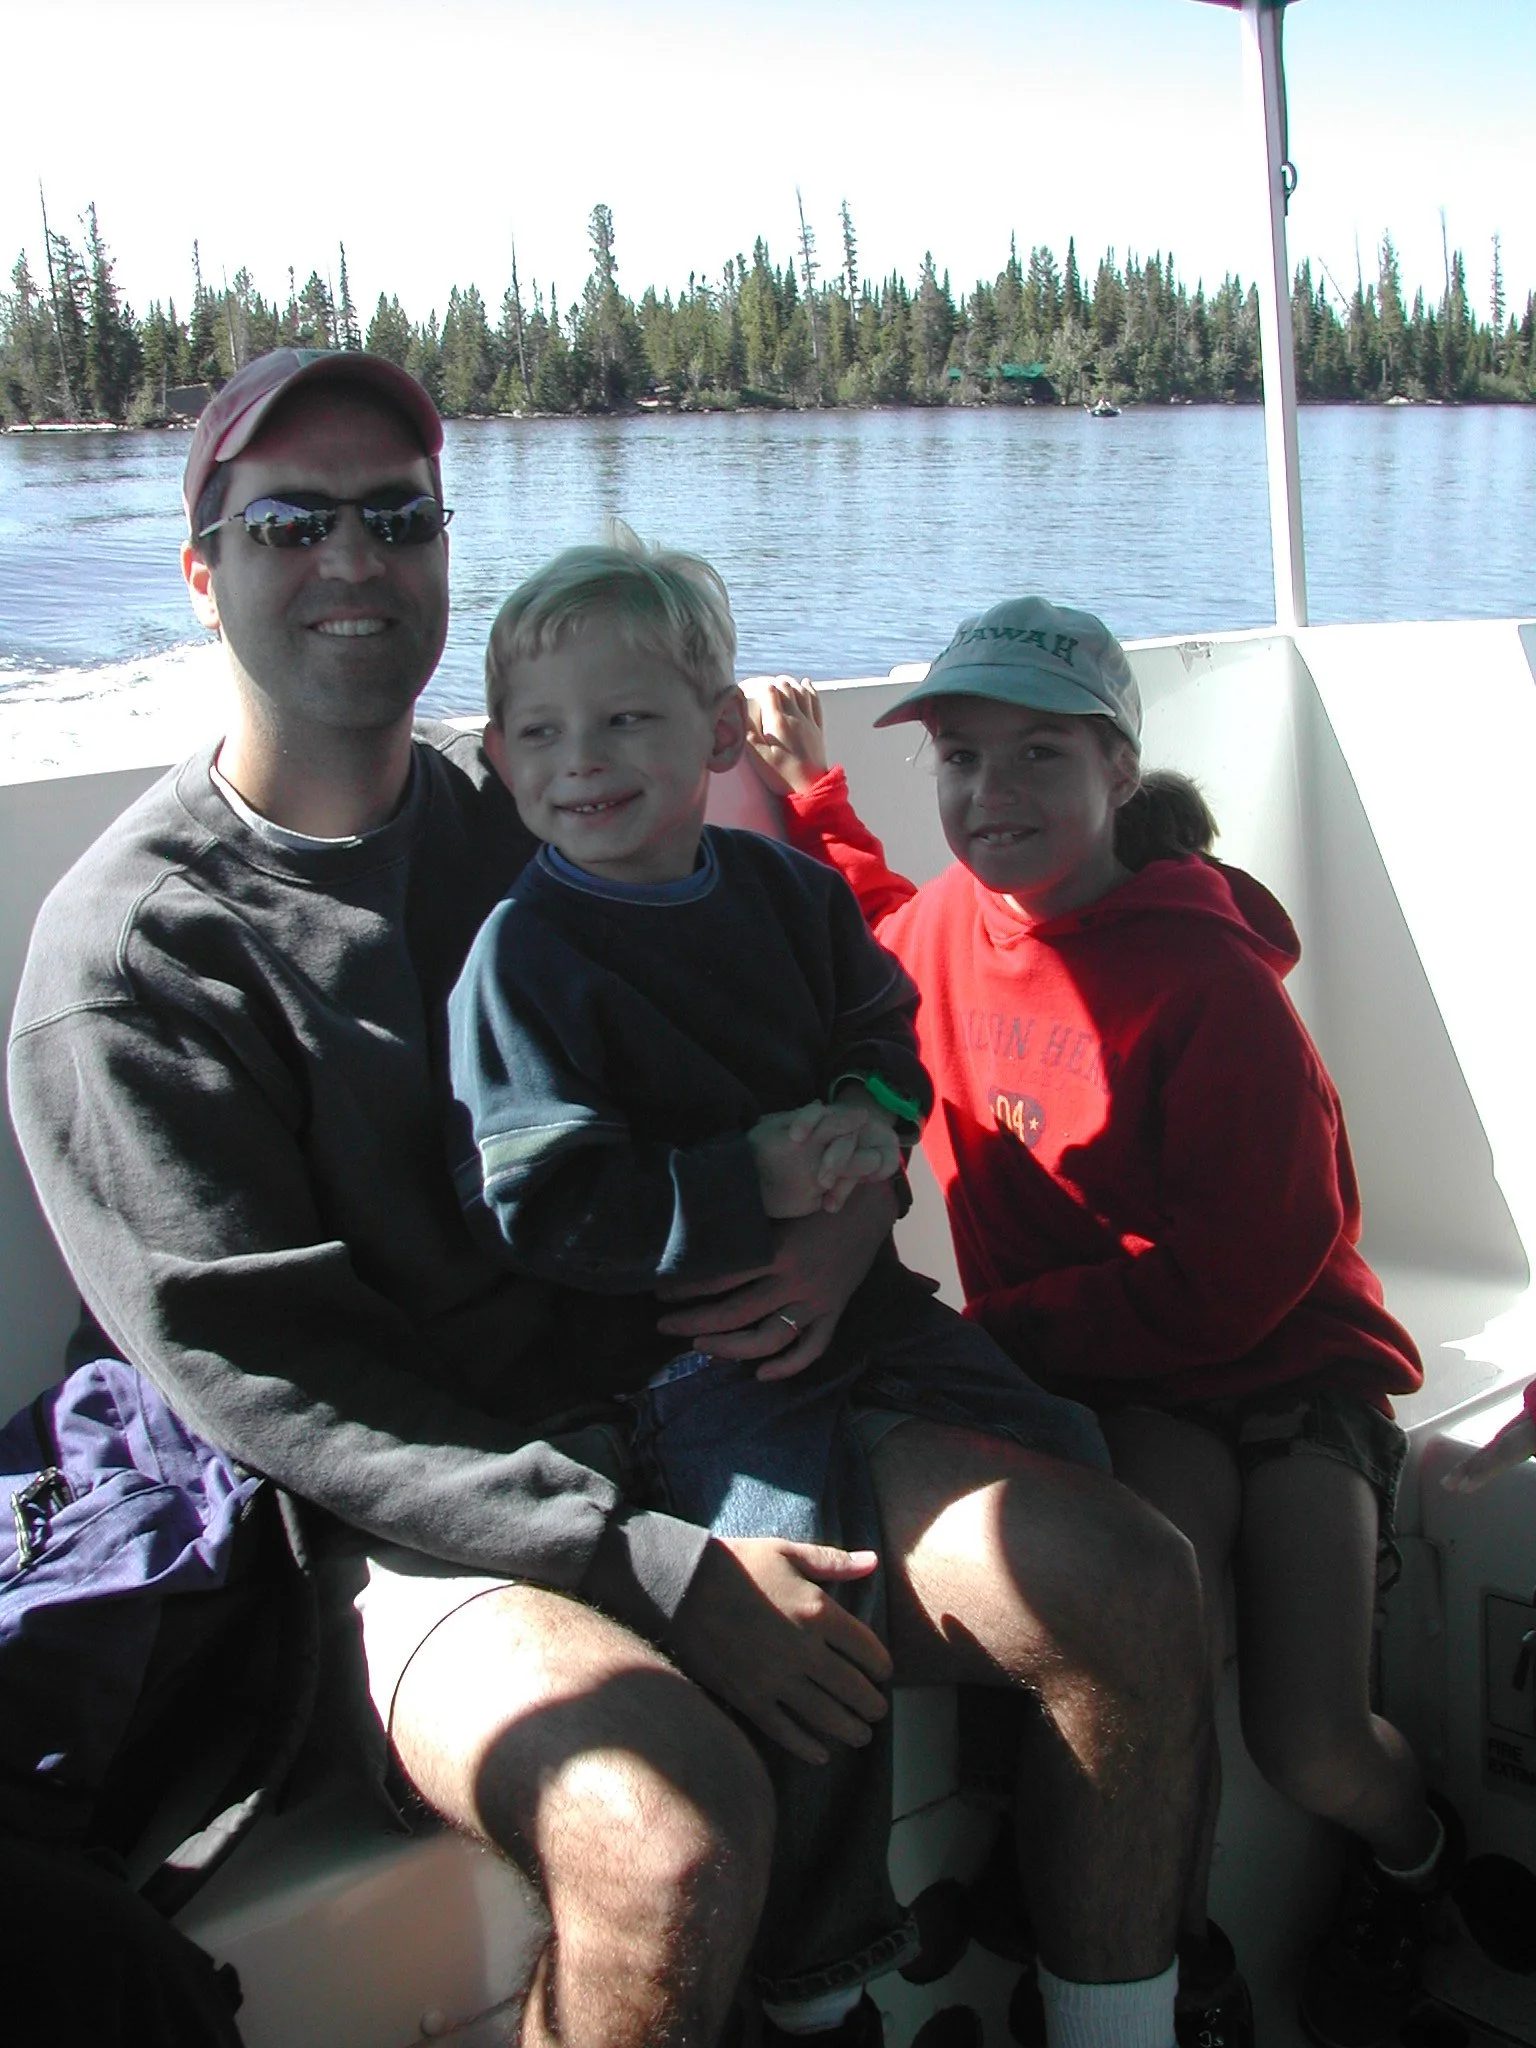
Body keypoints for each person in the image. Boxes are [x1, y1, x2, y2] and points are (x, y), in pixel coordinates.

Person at [8, 353, 1207, 2048]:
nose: (352, 558)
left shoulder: (544, 821)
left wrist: (845, 1221)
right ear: (201, 570)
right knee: (666, 1819)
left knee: (1127, 1581)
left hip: (679, 1388)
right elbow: (284, 1395)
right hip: (387, 1531)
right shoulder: (141, 958)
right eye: (290, 521)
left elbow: (813, 1046)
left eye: (396, 517)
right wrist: (642, 1562)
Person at [743, 598, 1456, 2048]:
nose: (991, 796)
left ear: (1120, 772)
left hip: (1290, 1370)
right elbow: (882, 924)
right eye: (959, 757)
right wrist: (810, 790)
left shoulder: (1212, 987)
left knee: (1311, 1738)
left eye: (1039, 757)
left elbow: (1248, 1275)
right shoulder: (947, 929)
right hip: (1139, 1389)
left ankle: (1420, 1857)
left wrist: (995, 1344)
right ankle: (1172, 1955)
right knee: (1146, 1616)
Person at [445, 528, 1110, 2035]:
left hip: (865, 1315)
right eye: (540, 734)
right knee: (811, 1637)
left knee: (1074, 1455)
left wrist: (869, 1133)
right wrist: (749, 1176)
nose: (583, 760)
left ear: (715, 726)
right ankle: (820, 1985)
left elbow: (887, 1043)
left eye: (627, 721)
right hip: (695, 1368)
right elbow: (543, 1207)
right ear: (495, 757)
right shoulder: (525, 956)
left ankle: (1022, 1818)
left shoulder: (786, 899)